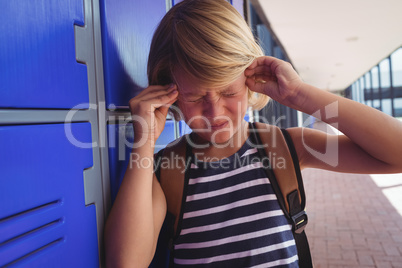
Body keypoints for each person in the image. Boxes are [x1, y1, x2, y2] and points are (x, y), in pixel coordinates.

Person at [104, 0, 402, 267]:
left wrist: (301, 95)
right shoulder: (166, 171)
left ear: (251, 79)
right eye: (194, 97)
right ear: (171, 95)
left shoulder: (287, 147)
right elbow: (127, 262)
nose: (214, 112)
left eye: (228, 91)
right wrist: (143, 144)